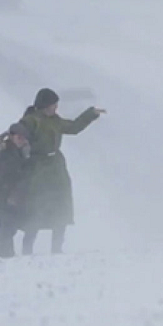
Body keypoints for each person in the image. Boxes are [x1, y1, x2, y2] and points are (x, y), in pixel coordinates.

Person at [18, 88, 105, 254]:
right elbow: (19, 136)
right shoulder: (31, 121)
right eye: (53, 105)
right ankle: (27, 249)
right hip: (37, 167)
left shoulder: (56, 121)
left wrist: (90, 114)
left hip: (56, 167)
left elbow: (73, 127)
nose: (55, 108)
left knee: (61, 205)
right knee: (36, 206)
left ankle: (57, 248)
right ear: (44, 105)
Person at [0, 122, 32, 258]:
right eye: (20, 138)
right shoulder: (6, 153)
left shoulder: (17, 152)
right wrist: (11, 194)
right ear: (12, 137)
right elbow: (7, 175)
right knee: (7, 226)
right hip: (5, 196)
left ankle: (5, 254)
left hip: (13, 196)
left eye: (24, 138)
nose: (23, 141)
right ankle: (2, 255)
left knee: (10, 226)